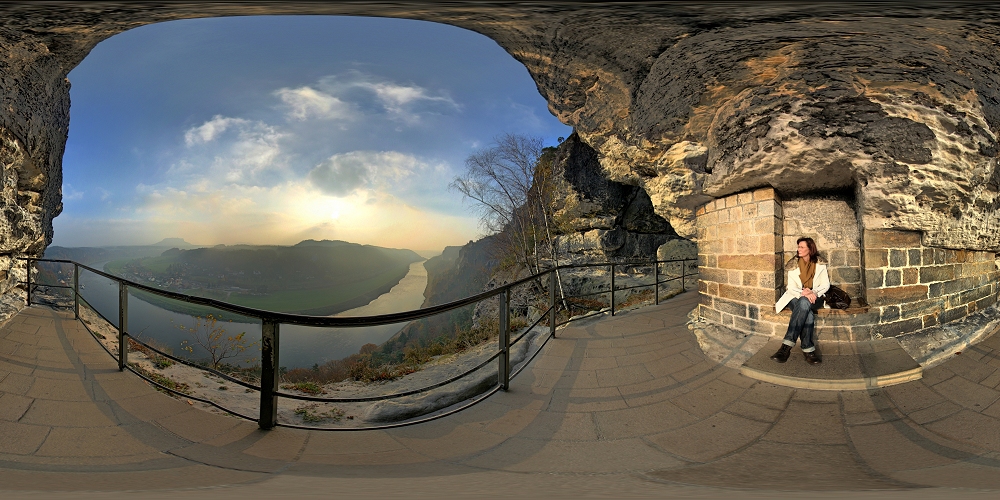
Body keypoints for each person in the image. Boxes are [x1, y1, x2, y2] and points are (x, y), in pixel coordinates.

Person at [772, 237, 829, 364]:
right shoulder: (793, 265)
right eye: (798, 247)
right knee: (805, 308)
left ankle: (786, 347)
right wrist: (803, 293)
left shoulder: (820, 264)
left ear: (810, 249)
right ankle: (808, 350)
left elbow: (826, 285)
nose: (799, 249)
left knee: (805, 304)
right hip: (795, 296)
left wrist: (813, 292)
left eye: (802, 247)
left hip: (816, 297)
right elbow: (791, 288)